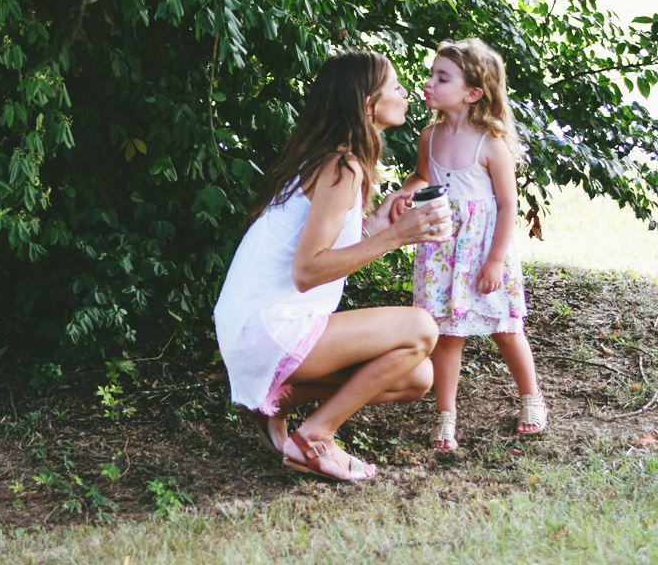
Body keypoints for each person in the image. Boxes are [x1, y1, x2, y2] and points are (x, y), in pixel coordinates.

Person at [213, 50, 453, 482]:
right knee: (422, 328)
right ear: (367, 105)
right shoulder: (342, 166)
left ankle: (274, 403)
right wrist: (394, 237)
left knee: (418, 375)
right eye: (394, 86)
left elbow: (320, 251)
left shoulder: (333, 160)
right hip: (267, 329)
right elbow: (308, 271)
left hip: (258, 329)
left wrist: (378, 224)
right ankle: (316, 435)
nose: (404, 92)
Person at [401, 38, 546, 451]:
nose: (429, 82)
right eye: (431, 74)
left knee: (505, 328)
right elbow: (422, 177)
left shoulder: (491, 144)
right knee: (446, 335)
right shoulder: (429, 135)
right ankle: (446, 416)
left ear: (472, 93)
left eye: (441, 77)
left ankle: (531, 398)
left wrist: (496, 260)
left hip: (483, 251)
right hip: (443, 250)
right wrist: (404, 194)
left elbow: (506, 207)